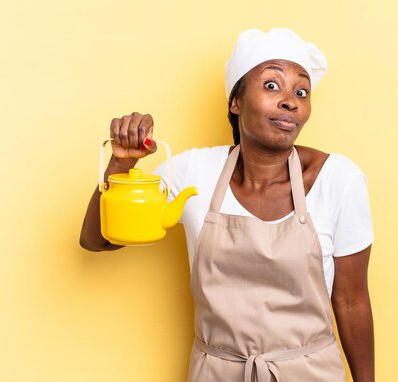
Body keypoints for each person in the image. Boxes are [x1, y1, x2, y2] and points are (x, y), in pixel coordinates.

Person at [80, 28, 375, 382]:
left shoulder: (338, 179)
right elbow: (97, 239)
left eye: (301, 91)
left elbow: (351, 301)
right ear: (235, 102)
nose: (290, 101)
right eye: (271, 85)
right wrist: (122, 163)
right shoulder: (193, 171)